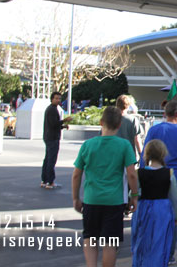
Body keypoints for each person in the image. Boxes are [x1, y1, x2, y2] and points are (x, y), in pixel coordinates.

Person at [72, 106, 138, 267]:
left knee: (90, 237)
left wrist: (76, 198)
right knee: (110, 241)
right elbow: (131, 174)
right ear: (119, 125)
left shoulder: (88, 145)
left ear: (101, 122)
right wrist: (134, 195)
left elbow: (76, 174)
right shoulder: (124, 146)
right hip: (114, 201)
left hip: (91, 199)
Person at [141, 101, 177, 264]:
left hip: (155, 175)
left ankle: (151, 249)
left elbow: (145, 152)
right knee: (174, 216)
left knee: (152, 213)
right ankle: (169, 253)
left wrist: (143, 172)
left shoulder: (154, 129)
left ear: (165, 113)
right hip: (176, 176)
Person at [131, 139, 177, 266]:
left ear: (147, 154)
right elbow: (174, 196)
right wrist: (176, 215)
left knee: (142, 239)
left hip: (143, 208)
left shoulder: (139, 173)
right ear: (163, 154)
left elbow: (134, 193)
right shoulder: (169, 173)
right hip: (162, 209)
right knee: (160, 241)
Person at [41, 91, 72, 189]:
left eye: (59, 98)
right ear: (52, 99)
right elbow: (54, 124)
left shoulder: (52, 109)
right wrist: (64, 121)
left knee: (47, 159)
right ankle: (50, 181)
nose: (58, 100)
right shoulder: (52, 110)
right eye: (56, 98)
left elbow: (54, 125)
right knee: (51, 160)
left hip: (49, 136)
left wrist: (62, 126)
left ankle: (45, 180)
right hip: (52, 138)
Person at [115, 94, 143, 160]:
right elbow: (137, 140)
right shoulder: (133, 120)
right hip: (129, 156)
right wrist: (141, 154)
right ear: (128, 106)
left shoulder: (111, 119)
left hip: (114, 155)